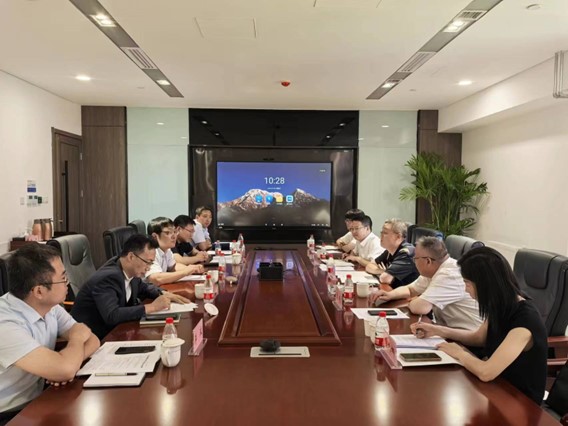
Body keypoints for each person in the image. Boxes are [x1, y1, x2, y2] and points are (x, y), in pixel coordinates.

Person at [410, 247, 547, 404]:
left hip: (519, 403)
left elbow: (486, 372)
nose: (465, 289)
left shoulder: (525, 322)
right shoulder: (500, 305)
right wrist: (437, 330)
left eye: (467, 283)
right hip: (496, 389)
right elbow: (479, 338)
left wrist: (459, 353)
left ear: (485, 284)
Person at [0, 245, 100, 421]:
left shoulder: (49, 307)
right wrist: (70, 355)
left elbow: (93, 340)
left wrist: (68, 364)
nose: (68, 283)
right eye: (63, 278)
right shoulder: (5, 324)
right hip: (9, 414)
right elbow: (78, 339)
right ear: (39, 291)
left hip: (38, 400)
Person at [71, 234, 190, 340]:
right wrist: (152, 307)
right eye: (147, 262)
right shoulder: (108, 277)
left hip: (118, 331)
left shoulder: (128, 269)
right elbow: (112, 315)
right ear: (131, 257)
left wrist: (163, 293)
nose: (148, 267)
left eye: (151, 263)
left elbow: (144, 288)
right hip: (94, 339)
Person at [370, 237, 482, 331]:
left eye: (415, 259)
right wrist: (390, 295)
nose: (414, 262)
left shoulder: (449, 275)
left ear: (428, 261)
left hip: (467, 338)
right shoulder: (435, 269)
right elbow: (411, 289)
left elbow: (420, 307)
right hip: (447, 330)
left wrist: (414, 301)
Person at [145, 217, 205, 286]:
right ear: (155, 236)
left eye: (174, 232)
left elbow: (173, 267)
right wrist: (185, 272)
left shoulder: (167, 250)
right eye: (168, 233)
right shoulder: (150, 251)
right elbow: (156, 279)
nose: (174, 236)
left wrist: (192, 269)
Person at [365, 218, 419, 288]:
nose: (381, 235)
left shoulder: (406, 253)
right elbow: (369, 266)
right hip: (393, 290)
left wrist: (384, 273)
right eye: (381, 232)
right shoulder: (389, 251)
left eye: (385, 233)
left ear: (398, 236)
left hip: (407, 294)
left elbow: (385, 278)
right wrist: (382, 271)